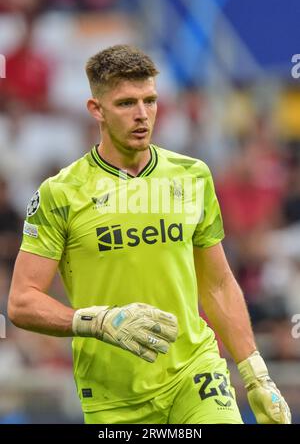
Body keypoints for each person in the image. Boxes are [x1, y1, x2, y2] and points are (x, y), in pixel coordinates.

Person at [8, 45, 291, 425]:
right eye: (126, 103)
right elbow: (22, 302)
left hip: (195, 373)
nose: (142, 115)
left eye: (150, 101)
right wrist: (98, 321)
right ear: (97, 110)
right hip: (113, 393)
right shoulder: (60, 194)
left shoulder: (192, 176)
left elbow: (219, 283)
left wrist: (256, 372)